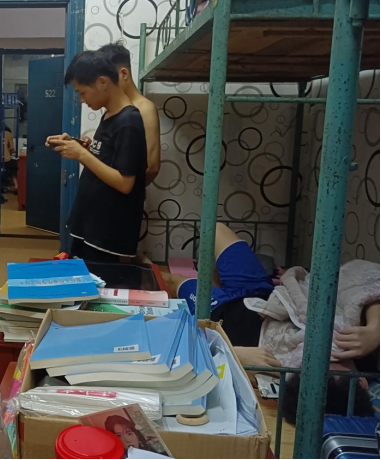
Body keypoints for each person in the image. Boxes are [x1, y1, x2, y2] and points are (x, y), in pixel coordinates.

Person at [162, 223, 379, 423]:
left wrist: (233, 353)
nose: (318, 364)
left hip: (225, 316)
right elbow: (364, 275)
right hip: (266, 298)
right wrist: (374, 330)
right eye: (330, 370)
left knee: (175, 281)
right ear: (361, 382)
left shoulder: (288, 379)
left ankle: (206, 287)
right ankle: (215, 283)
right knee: (215, 229)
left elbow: (181, 353)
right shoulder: (362, 348)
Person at [47, 51, 147, 263]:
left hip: (107, 235)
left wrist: (82, 155)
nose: (82, 100)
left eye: (82, 93)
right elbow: (110, 160)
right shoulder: (110, 115)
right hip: (91, 226)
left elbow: (125, 183)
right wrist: (80, 146)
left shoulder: (129, 121)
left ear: (102, 82)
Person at [98, 43, 161, 187]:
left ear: (124, 74)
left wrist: (130, 193)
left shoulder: (144, 109)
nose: (104, 86)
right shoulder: (113, 108)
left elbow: (152, 167)